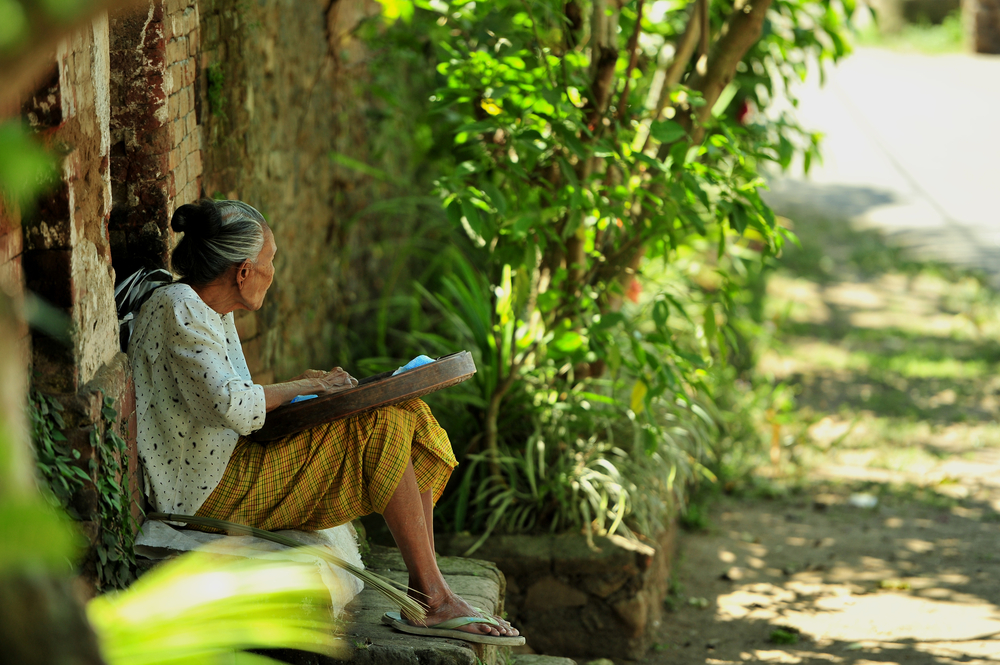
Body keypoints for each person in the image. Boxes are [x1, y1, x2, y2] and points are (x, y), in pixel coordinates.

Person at [128, 198, 520, 644]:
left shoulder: (209, 311)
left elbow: (228, 397)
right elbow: (234, 407)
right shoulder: (179, 306)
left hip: (230, 467)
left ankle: (428, 587)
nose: (273, 273)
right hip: (204, 496)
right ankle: (434, 597)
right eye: (270, 262)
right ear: (243, 272)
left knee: (409, 413)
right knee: (382, 426)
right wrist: (296, 387)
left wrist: (307, 388)